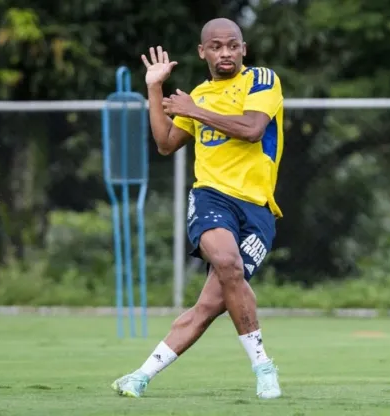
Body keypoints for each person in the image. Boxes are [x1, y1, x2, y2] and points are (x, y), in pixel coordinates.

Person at [111, 17, 284, 400]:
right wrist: (154, 89)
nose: (226, 52)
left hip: (258, 210)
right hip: (211, 198)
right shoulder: (199, 96)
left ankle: (140, 376)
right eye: (217, 46)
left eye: (233, 45)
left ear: (244, 49)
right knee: (226, 262)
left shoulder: (261, 80)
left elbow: (252, 129)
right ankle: (263, 368)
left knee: (208, 306)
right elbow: (166, 143)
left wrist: (194, 110)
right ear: (202, 51)